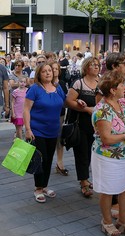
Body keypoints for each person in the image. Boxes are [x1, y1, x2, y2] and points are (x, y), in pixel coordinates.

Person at [91, 70, 125, 236]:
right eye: (121, 85)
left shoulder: (123, 103)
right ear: (112, 90)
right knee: (108, 190)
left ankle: (123, 220)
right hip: (107, 157)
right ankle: (106, 222)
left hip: (124, 155)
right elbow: (106, 138)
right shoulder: (102, 110)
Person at [23, 62, 66, 203]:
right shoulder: (34, 89)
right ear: (39, 74)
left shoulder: (57, 88)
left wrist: (79, 102)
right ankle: (38, 188)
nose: (48, 73)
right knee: (41, 160)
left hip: (53, 131)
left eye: (50, 70)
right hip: (37, 130)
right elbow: (26, 110)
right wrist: (28, 129)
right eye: (44, 71)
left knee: (48, 159)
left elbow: (65, 103)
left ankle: (45, 186)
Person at [66, 57, 99, 197]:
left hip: (97, 125)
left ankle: (86, 177)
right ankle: (84, 182)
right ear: (86, 68)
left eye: (98, 65)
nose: (96, 67)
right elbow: (69, 101)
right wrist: (85, 109)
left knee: (92, 153)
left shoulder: (102, 82)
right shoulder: (79, 83)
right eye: (93, 65)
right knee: (82, 153)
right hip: (81, 124)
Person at [49, 61, 69, 176]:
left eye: (57, 69)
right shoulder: (46, 82)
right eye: (53, 68)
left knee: (59, 138)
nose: (55, 70)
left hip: (60, 114)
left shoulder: (61, 83)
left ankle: (60, 162)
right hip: (48, 115)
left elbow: (66, 100)